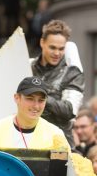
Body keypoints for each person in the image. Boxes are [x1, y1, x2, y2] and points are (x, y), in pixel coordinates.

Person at [31, 20, 85, 148]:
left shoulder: (73, 73)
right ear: (42, 42)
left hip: (60, 144)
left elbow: (70, 110)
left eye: (61, 49)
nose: (57, 53)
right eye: (52, 47)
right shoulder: (27, 66)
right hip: (28, 139)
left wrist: (39, 96)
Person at [0, 76, 69, 150]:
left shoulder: (56, 135)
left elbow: (66, 167)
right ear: (17, 98)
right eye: (30, 98)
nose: (36, 106)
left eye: (41, 100)